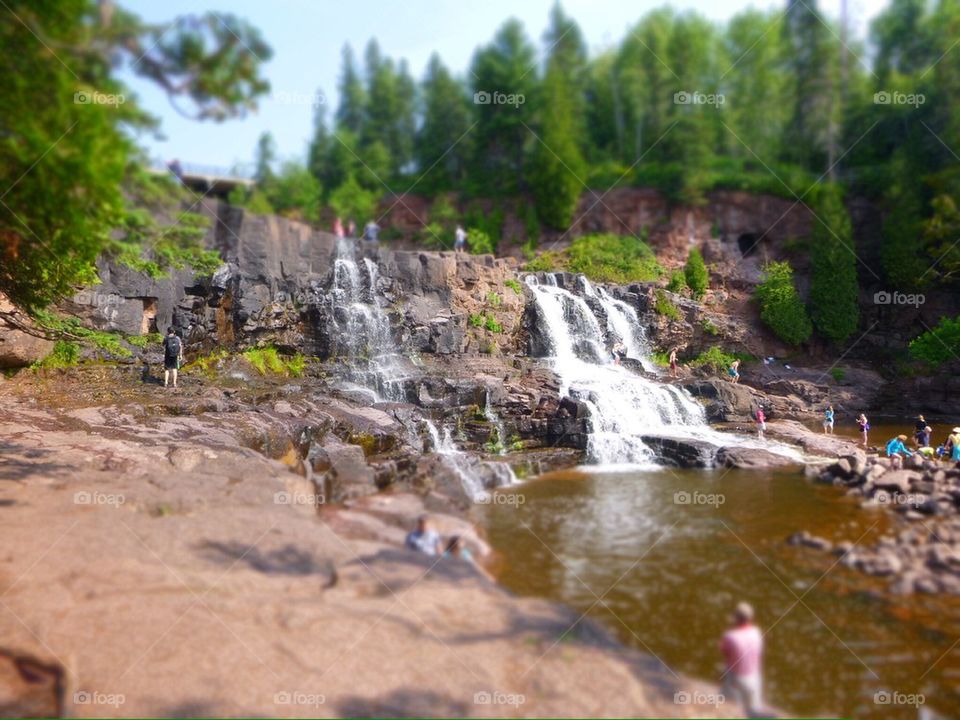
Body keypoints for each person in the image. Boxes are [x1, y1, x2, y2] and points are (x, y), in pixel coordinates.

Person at [720, 602, 764, 718]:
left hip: (737, 679)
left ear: (736, 618)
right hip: (754, 678)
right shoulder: (757, 632)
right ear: (750, 618)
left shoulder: (730, 636)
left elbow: (724, 651)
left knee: (726, 670)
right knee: (753, 710)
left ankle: (726, 699)